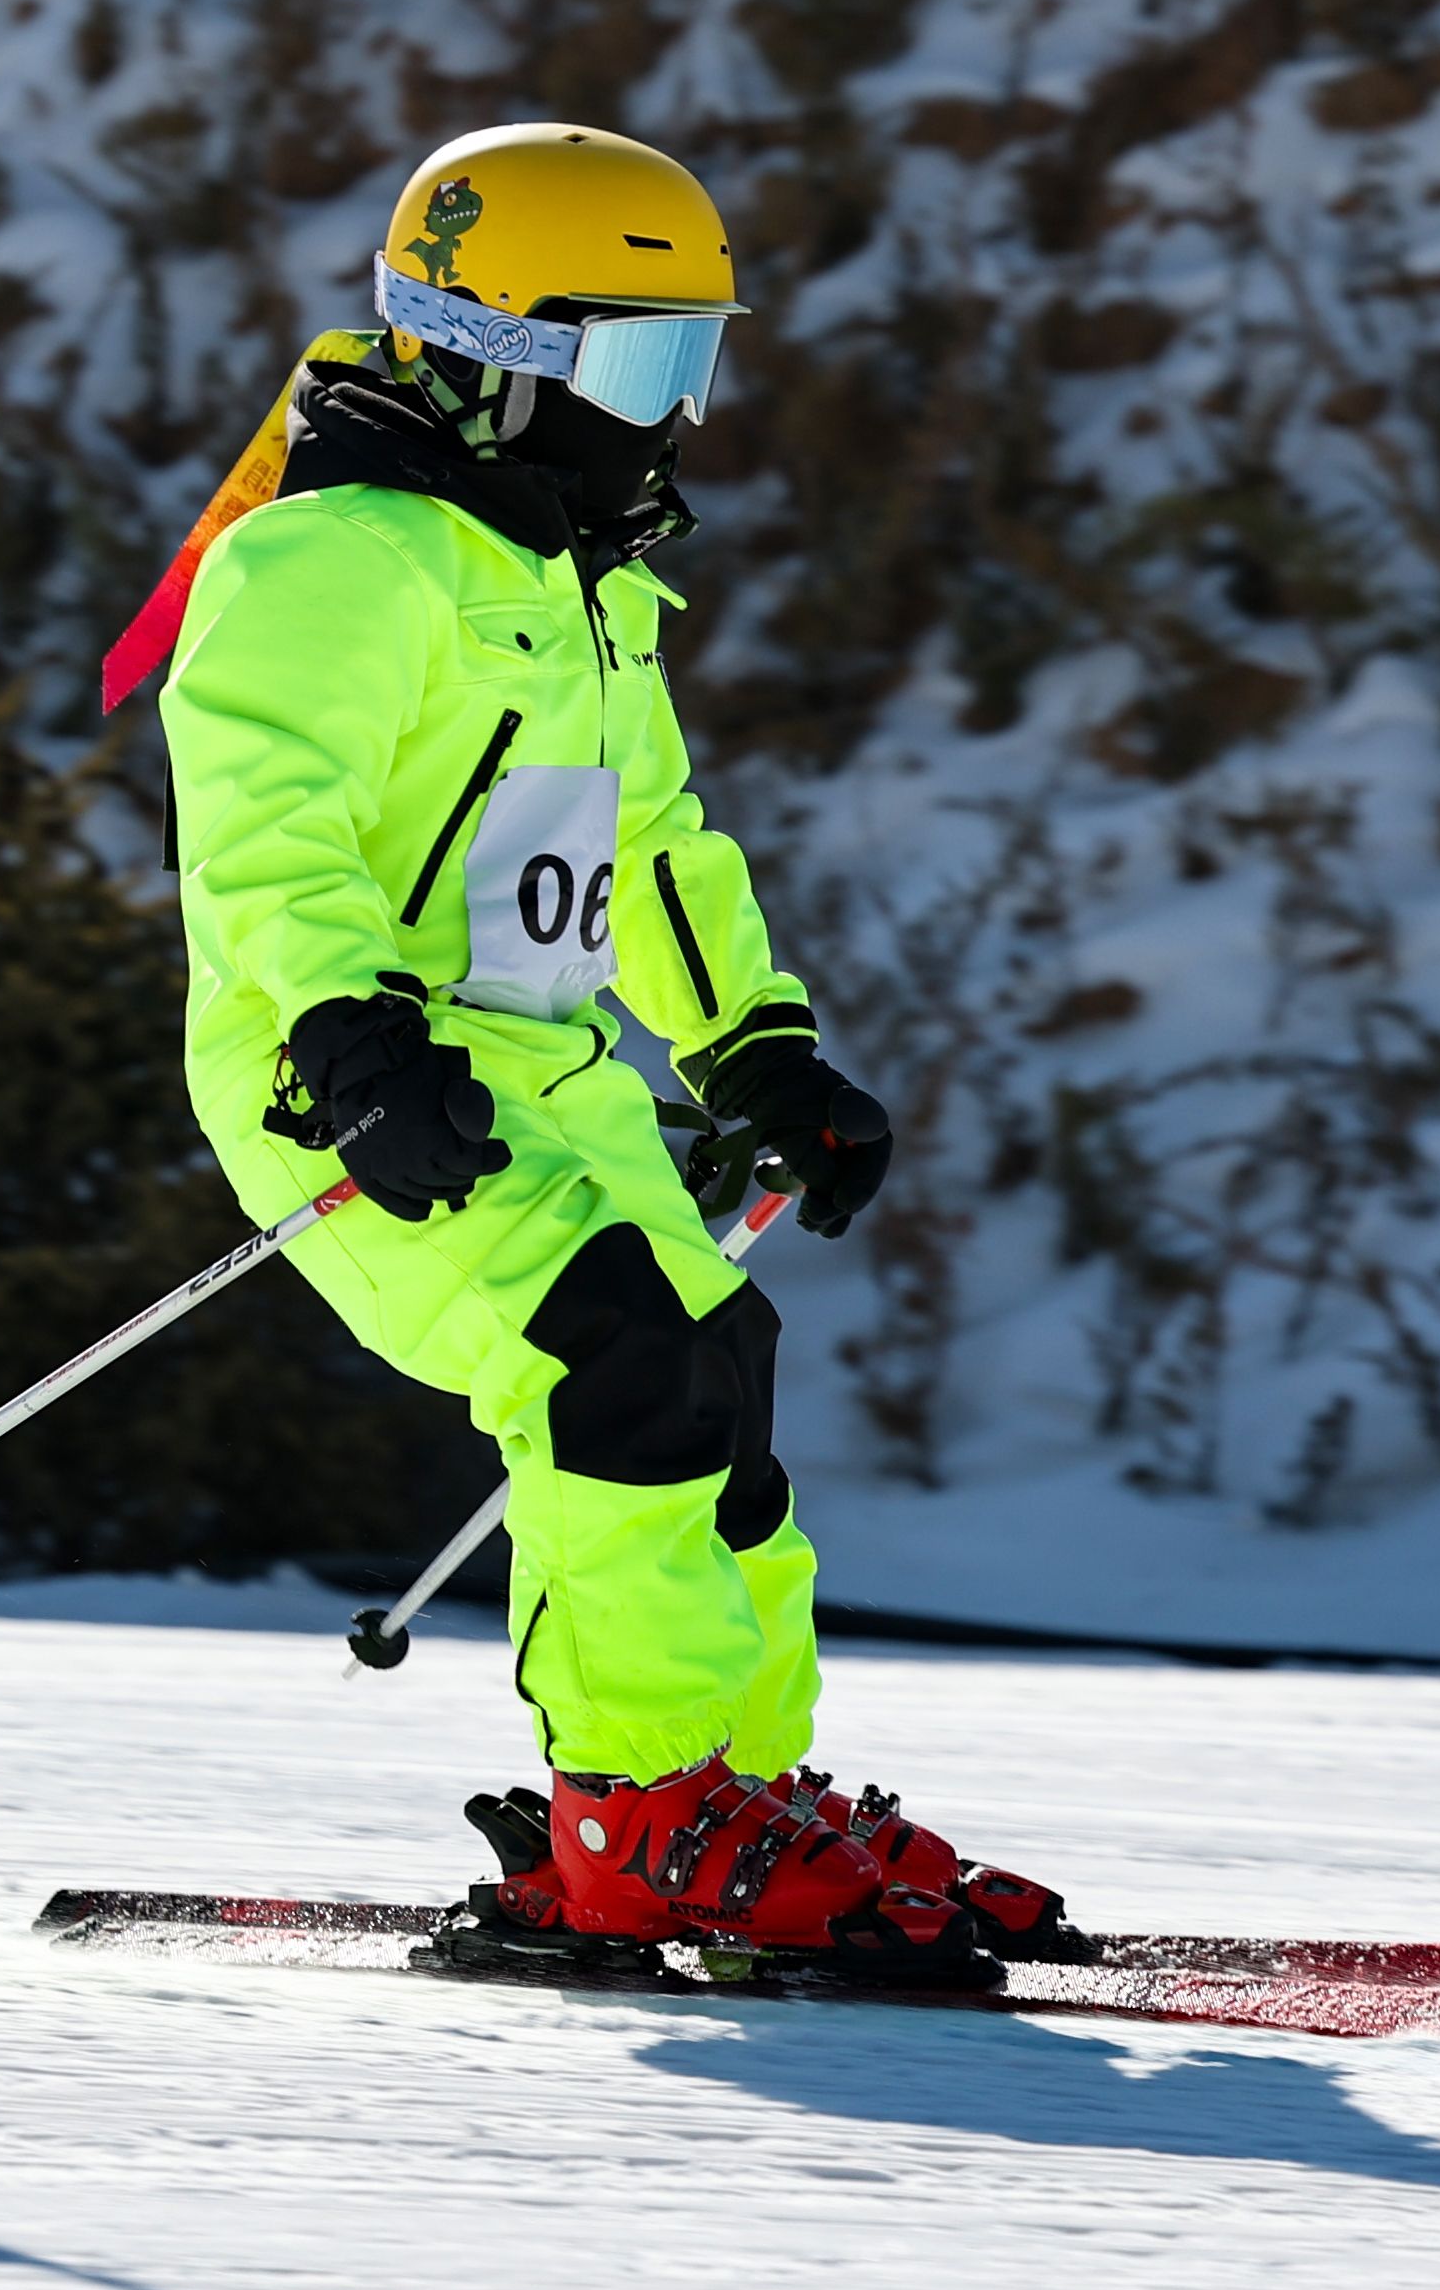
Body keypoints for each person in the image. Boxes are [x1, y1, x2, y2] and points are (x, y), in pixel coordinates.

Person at [96, 122, 1067, 1982]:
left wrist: (760, 1050)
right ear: (489, 354)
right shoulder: (328, 567)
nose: (675, 414)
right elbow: (258, 828)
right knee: (612, 1364)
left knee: (720, 1370)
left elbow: (652, 855)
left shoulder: (590, 587)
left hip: (548, 1074)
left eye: (692, 363)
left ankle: (732, 1791)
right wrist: (350, 1041)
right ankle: (638, 1818)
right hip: (349, 1087)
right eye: (639, 363)